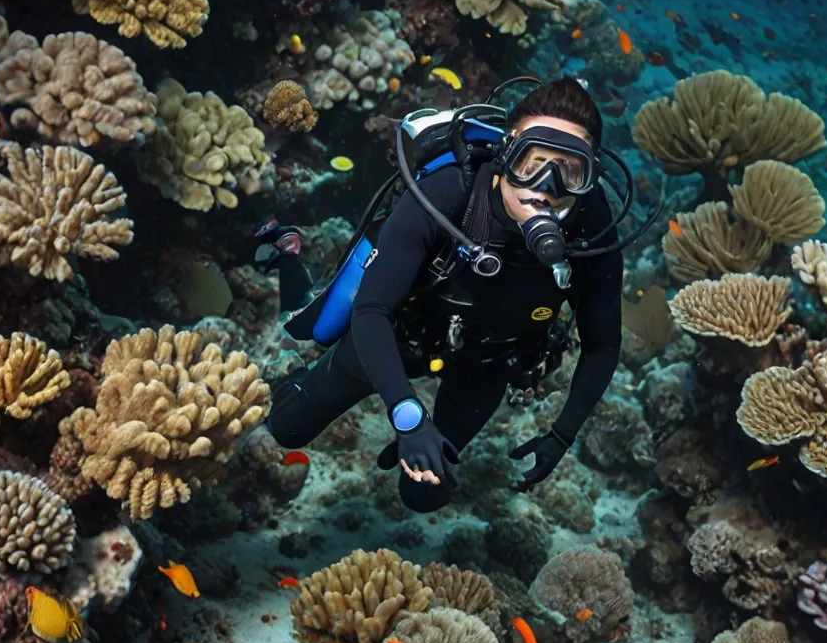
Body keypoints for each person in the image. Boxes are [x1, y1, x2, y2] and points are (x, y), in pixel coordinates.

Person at [258, 77, 624, 513]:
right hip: (398, 336)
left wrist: (562, 433)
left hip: (487, 363)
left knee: (425, 496)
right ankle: (286, 258)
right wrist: (408, 416)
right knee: (285, 430)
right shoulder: (449, 191)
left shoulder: (593, 229)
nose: (547, 185)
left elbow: (603, 343)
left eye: (570, 171)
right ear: (507, 152)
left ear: (590, 177)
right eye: (534, 161)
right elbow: (373, 308)